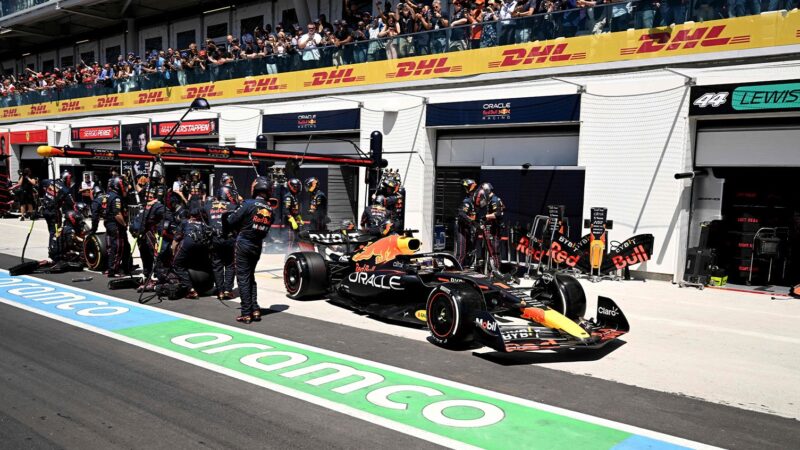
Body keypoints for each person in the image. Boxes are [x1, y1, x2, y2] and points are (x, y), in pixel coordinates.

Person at [225, 177, 274, 323]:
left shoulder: (247, 204)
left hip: (244, 243)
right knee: (250, 277)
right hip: (257, 245)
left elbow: (231, 221)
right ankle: (255, 309)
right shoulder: (271, 209)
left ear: (255, 188)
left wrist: (235, 208)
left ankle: (246, 312)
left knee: (243, 279)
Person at [206, 186, 239, 300]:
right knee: (230, 264)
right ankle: (227, 290)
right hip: (229, 239)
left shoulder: (208, 205)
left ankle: (220, 291)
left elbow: (197, 212)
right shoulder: (234, 206)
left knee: (217, 265)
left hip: (215, 238)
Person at [172, 205, 209, 299]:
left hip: (188, 244)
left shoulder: (185, 222)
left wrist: (173, 252)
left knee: (177, 264)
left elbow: (176, 240)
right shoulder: (205, 224)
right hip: (203, 248)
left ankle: (190, 289)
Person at [133, 186, 166, 288]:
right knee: (145, 257)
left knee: (156, 257)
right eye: (148, 194)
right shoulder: (143, 205)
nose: (149, 196)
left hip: (151, 235)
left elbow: (165, 218)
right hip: (140, 236)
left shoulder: (158, 206)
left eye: (152, 195)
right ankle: (148, 279)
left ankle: (160, 280)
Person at [105, 176, 132, 278]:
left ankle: (125, 267)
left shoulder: (108, 195)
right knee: (118, 247)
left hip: (110, 224)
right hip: (116, 225)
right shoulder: (116, 198)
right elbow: (117, 214)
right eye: (123, 185)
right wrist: (125, 224)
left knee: (123, 246)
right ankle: (113, 270)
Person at [455, 178, 479, 267]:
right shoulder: (467, 201)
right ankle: (457, 270)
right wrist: (472, 222)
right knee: (461, 252)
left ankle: (464, 267)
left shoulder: (473, 201)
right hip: (462, 227)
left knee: (469, 250)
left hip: (468, 227)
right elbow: (461, 214)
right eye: (474, 189)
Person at [283, 178, 303, 250]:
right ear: (291, 187)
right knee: (290, 241)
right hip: (289, 223)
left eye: (298, 186)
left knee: (296, 240)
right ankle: (288, 257)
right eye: (295, 186)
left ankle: (295, 256)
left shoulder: (295, 196)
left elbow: (295, 209)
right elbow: (286, 210)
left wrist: (299, 218)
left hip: (295, 221)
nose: (297, 188)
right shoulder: (288, 197)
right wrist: (292, 220)